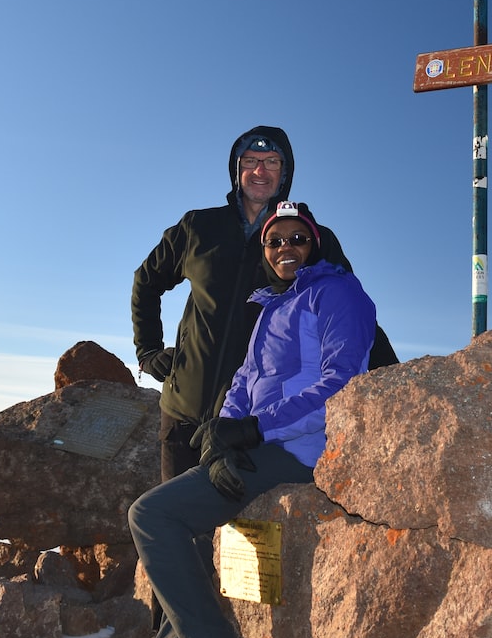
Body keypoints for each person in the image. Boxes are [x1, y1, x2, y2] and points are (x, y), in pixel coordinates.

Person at [127, 201, 377, 638]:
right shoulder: (270, 306)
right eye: (274, 241)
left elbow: (340, 386)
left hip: (302, 450)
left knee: (153, 516)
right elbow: (244, 379)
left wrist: (254, 430)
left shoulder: (337, 293)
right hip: (264, 445)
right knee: (186, 528)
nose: (285, 248)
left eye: (297, 239)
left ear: (315, 244)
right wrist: (223, 434)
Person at [131, 125, 358, 484]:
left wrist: (387, 380)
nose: (260, 171)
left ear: (285, 174)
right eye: (250, 161)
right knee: (175, 511)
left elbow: (349, 313)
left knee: (242, 520)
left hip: (253, 423)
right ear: (236, 170)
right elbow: (146, 281)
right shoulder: (198, 227)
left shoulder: (307, 239)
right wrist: (148, 350)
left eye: (272, 162)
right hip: (182, 413)